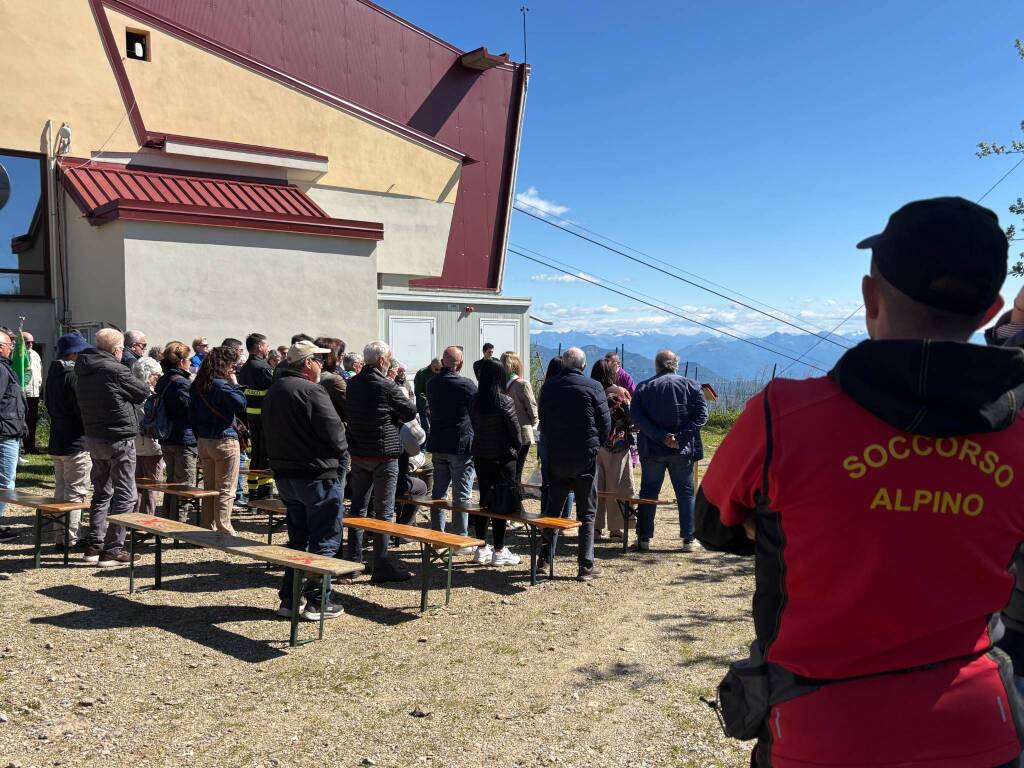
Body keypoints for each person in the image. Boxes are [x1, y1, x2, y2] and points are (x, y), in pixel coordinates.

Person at [697, 197, 1024, 768]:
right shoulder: (1019, 435)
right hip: (984, 728)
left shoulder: (781, 417)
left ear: (870, 299)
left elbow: (711, 526)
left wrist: (782, 525)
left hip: (820, 733)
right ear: (992, 309)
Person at [263, 339, 348, 621]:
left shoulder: (275, 390)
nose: (322, 365)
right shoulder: (312, 390)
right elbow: (335, 432)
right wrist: (342, 452)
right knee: (324, 536)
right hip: (316, 473)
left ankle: (289, 597)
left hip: (286, 475)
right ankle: (318, 600)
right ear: (308, 363)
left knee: (298, 538)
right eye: (319, 361)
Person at [76, 328, 151, 566]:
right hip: (118, 436)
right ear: (117, 350)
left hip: (95, 436)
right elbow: (142, 392)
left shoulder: (83, 368)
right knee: (126, 495)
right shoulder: (116, 369)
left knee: (101, 491)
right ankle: (113, 549)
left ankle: (94, 546)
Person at [345, 341, 417, 582]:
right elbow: (409, 412)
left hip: (359, 452)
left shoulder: (351, 384)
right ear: (383, 361)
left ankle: (353, 561)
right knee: (384, 511)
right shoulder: (387, 385)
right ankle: (381, 564)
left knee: (358, 507)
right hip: (384, 454)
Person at [537, 347, 610, 581]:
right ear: (583, 365)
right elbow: (605, 423)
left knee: (553, 509)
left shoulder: (549, 387)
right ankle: (585, 565)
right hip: (584, 456)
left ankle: (544, 560)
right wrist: (597, 443)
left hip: (557, 455)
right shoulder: (594, 387)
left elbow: (544, 421)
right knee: (587, 511)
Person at [630, 349, 707, 552]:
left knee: (648, 492)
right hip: (682, 450)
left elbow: (637, 417)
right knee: (686, 493)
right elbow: (701, 417)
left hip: (652, 450)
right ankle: (689, 539)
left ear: (657, 365)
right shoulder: (692, 385)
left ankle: (644, 538)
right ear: (676, 364)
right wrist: (679, 438)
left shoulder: (644, 387)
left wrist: (661, 436)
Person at [468, 358, 523, 566]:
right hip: (503, 457)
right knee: (500, 503)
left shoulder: (474, 400)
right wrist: (515, 449)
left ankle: (481, 548)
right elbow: (516, 433)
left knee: (484, 501)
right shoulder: (504, 401)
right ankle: (499, 550)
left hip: (481, 455)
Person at [188, 345, 246, 535]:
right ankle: (224, 526)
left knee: (210, 487)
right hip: (224, 440)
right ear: (225, 365)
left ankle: (208, 523)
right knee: (226, 488)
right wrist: (235, 383)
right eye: (232, 365)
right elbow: (240, 404)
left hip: (204, 440)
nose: (233, 369)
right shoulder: (222, 385)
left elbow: (192, 414)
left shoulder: (198, 384)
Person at [43, 332, 90, 548]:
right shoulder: (73, 377)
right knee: (75, 491)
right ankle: (71, 538)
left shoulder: (53, 374)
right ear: (73, 354)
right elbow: (81, 410)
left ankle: (60, 537)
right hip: (75, 440)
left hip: (58, 438)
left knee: (61, 488)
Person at [425, 345, 477, 539]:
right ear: (461, 363)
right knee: (461, 493)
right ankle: (459, 535)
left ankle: (438, 533)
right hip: (460, 443)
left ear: (442, 362)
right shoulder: (466, 384)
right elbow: (476, 409)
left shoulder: (431, 383)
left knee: (439, 492)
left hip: (438, 442)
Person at [591, 359, 635, 540]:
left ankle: (594, 527)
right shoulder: (621, 394)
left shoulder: (591, 392)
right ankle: (617, 529)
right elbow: (630, 420)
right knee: (619, 486)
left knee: (595, 487)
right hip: (618, 445)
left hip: (595, 444)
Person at [155, 341, 196, 522]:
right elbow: (190, 412)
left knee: (171, 482)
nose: (191, 363)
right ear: (181, 362)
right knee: (185, 485)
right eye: (188, 360)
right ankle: (180, 525)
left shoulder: (163, 380)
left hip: (167, 437)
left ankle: (168, 518)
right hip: (183, 438)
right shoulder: (181, 383)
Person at [238, 333, 274, 501]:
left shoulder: (245, 368)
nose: (267, 348)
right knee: (265, 455)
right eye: (266, 345)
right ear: (259, 346)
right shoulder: (264, 368)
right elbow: (272, 392)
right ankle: (264, 494)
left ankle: (251, 492)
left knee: (256, 454)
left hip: (251, 416)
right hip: (265, 417)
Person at [537, 357, 574, 520]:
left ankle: (545, 512)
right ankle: (565, 515)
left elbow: (541, 414)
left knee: (547, 478)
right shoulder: (569, 387)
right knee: (567, 479)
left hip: (546, 435)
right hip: (566, 437)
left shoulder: (545, 388)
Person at [131, 357, 165, 517]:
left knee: (136, 484)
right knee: (152, 485)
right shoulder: (150, 396)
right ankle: (146, 519)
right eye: (157, 375)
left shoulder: (130, 391)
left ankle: (135, 517)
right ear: (150, 375)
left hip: (134, 444)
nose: (158, 378)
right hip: (151, 445)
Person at [500, 351, 538, 495]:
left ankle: (506, 495)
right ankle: (515, 496)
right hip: (522, 430)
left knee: (506, 466)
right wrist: (534, 422)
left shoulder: (499, 383)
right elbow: (532, 406)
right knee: (519, 467)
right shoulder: (522, 384)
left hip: (503, 431)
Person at [0, 327, 25, 542]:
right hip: (4, 433)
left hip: (8, 430)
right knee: (5, 483)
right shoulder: (0, 369)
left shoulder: (5, 368)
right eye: (10, 345)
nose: (12, 348)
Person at [21, 330, 42, 454]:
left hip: (34, 393)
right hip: (24, 392)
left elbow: (39, 373)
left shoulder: (35, 354)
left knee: (32, 421)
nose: (31, 344)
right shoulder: (18, 355)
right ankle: (22, 447)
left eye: (32, 342)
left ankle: (31, 447)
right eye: (28, 342)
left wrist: (40, 386)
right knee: (22, 420)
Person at [413, 358, 442, 440]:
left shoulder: (440, 372)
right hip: (424, 406)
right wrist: (427, 405)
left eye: (440, 369)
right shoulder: (422, 373)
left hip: (436, 405)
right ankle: (426, 446)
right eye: (437, 369)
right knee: (426, 428)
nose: (438, 371)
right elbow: (418, 392)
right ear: (432, 365)